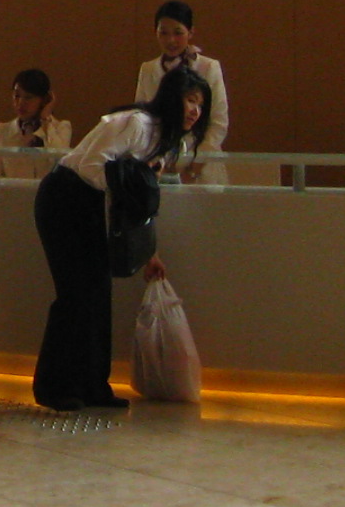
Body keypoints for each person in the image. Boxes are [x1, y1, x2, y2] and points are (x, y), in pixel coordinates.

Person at [32, 67, 212, 412]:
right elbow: (91, 167)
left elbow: (139, 200)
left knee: (98, 295)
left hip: (90, 203)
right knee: (75, 295)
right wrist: (132, 177)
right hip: (64, 197)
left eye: (200, 105)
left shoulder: (167, 141)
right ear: (171, 98)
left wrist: (149, 253)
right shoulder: (136, 124)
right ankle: (56, 388)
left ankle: (93, 386)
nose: (195, 110)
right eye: (190, 100)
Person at [133, 1, 229, 178]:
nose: (171, 40)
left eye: (178, 33)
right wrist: (157, 159)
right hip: (159, 165)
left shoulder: (208, 67)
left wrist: (196, 163)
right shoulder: (148, 69)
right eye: (163, 33)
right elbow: (142, 118)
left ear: (190, 32)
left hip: (202, 166)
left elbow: (218, 122)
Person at [0, 68, 73, 180]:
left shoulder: (61, 128)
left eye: (28, 97)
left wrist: (45, 119)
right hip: (11, 190)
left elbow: (60, 159)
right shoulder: (3, 130)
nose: (20, 103)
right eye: (17, 96)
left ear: (44, 100)